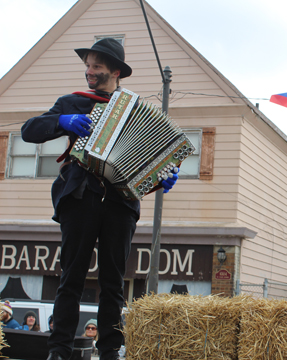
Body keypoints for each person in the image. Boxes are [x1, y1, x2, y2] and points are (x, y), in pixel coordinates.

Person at [21, 38, 178, 360]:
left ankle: (109, 350)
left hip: (120, 202)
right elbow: (29, 130)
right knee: (71, 276)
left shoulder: (136, 110)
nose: (89, 72)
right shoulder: (73, 102)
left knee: (113, 282)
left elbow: (148, 161)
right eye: (87, 66)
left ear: (115, 71)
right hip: (81, 194)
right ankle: (60, 349)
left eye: (96, 67)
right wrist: (61, 122)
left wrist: (163, 176)